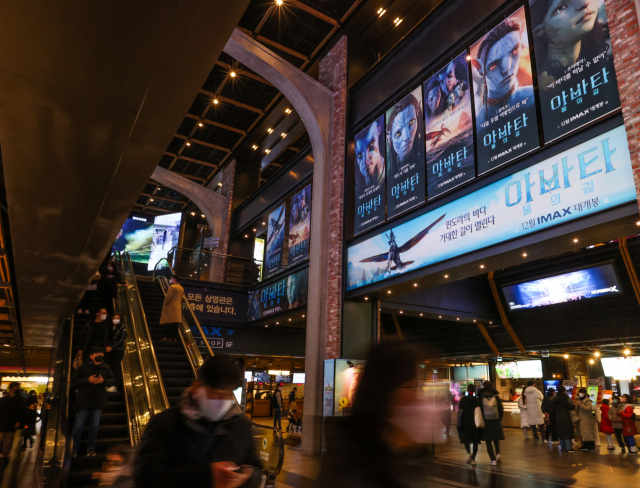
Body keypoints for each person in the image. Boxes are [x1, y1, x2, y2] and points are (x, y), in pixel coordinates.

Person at [317, 341, 434, 488]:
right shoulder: (348, 457)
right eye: (411, 386)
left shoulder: (404, 448)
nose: (417, 396)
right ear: (385, 390)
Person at [134, 355, 262, 488]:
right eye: (217, 394)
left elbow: (256, 469)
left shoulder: (240, 426)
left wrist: (248, 476)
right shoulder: (163, 424)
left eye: (229, 394)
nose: (223, 401)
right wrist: (207, 475)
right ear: (197, 387)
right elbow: (145, 478)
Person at [530, 0, 607, 86]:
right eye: (561, 8)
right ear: (538, 31)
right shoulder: (542, 86)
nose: (584, 4)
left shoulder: (598, 53)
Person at [70, 347, 116, 457]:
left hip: (98, 401)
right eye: (97, 353)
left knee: (94, 426)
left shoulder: (106, 367)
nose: (100, 355)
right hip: (83, 401)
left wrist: (103, 381)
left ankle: (90, 449)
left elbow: (113, 381)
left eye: (101, 353)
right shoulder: (83, 367)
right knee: (78, 426)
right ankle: (73, 449)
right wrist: (88, 380)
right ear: (91, 356)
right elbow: (72, 383)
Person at [0, 382, 26, 464]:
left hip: (10, 423)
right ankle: (4, 454)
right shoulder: (4, 399)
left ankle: (5, 454)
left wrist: (19, 421)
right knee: (6, 440)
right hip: (4, 422)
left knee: (8, 440)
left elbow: (21, 411)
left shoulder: (18, 400)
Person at [457, 384, 481, 466]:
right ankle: (473, 459)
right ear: (474, 390)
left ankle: (469, 453)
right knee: (475, 442)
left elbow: (460, 411)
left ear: (467, 390)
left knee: (466, 441)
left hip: (465, 423)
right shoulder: (477, 400)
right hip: (475, 423)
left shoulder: (463, 400)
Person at [551, 386, 575, 452]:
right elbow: (570, 407)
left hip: (558, 417)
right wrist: (575, 405)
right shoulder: (565, 399)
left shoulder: (555, 400)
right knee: (567, 432)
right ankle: (569, 448)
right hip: (565, 417)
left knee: (560, 432)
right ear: (564, 391)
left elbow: (553, 409)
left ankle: (563, 447)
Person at [160, 275, 184, 341]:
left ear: (174, 279)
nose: (170, 280)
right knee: (175, 324)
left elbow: (168, 297)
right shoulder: (181, 288)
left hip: (171, 307)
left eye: (171, 278)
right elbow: (182, 297)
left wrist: (165, 303)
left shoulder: (172, 287)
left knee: (169, 322)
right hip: (178, 307)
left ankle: (168, 336)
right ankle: (174, 337)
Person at [107, 314, 127, 393]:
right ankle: (108, 384)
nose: (116, 319)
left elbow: (122, 339)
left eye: (117, 318)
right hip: (109, 350)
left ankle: (115, 385)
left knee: (116, 367)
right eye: (114, 318)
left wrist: (112, 347)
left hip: (118, 349)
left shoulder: (123, 327)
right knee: (109, 366)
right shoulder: (110, 327)